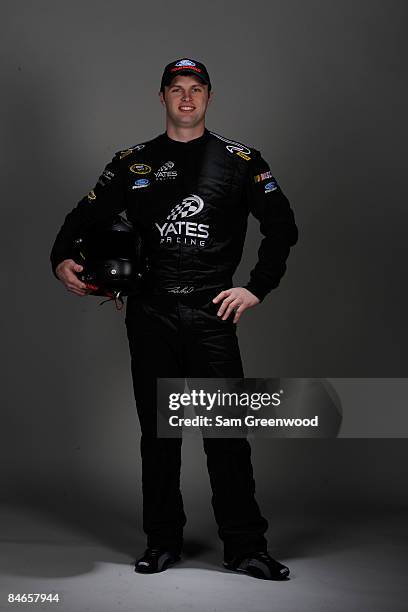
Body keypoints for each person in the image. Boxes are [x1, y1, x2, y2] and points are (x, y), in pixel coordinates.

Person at [50, 58, 298, 580]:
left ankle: (246, 546)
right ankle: (162, 541)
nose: (187, 99)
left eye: (197, 89)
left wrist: (256, 288)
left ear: (209, 97)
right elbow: (81, 218)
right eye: (177, 89)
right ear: (160, 96)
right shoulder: (132, 163)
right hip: (151, 312)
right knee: (158, 435)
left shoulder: (240, 159)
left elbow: (282, 225)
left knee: (225, 432)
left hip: (212, 311)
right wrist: (61, 259)